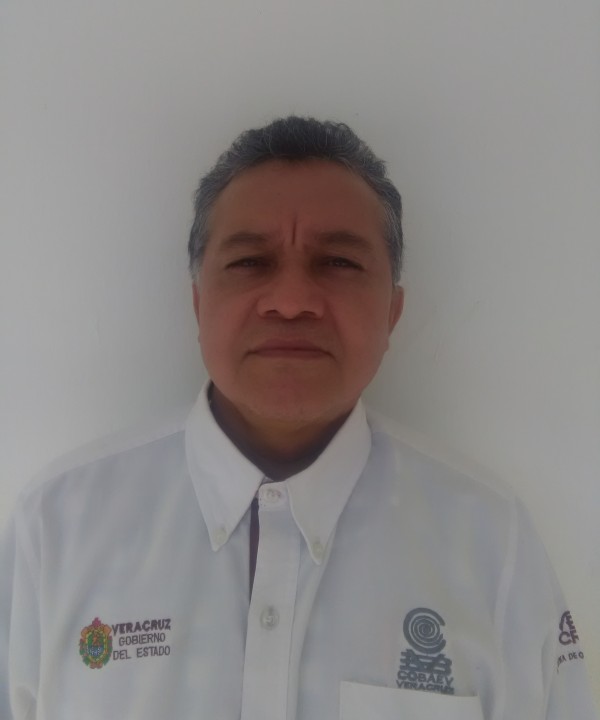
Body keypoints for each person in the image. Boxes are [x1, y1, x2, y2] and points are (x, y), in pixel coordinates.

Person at [0, 116, 596, 719]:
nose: (290, 302)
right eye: (249, 262)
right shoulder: (56, 528)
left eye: (337, 262)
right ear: (199, 301)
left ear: (393, 310)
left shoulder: (492, 543)